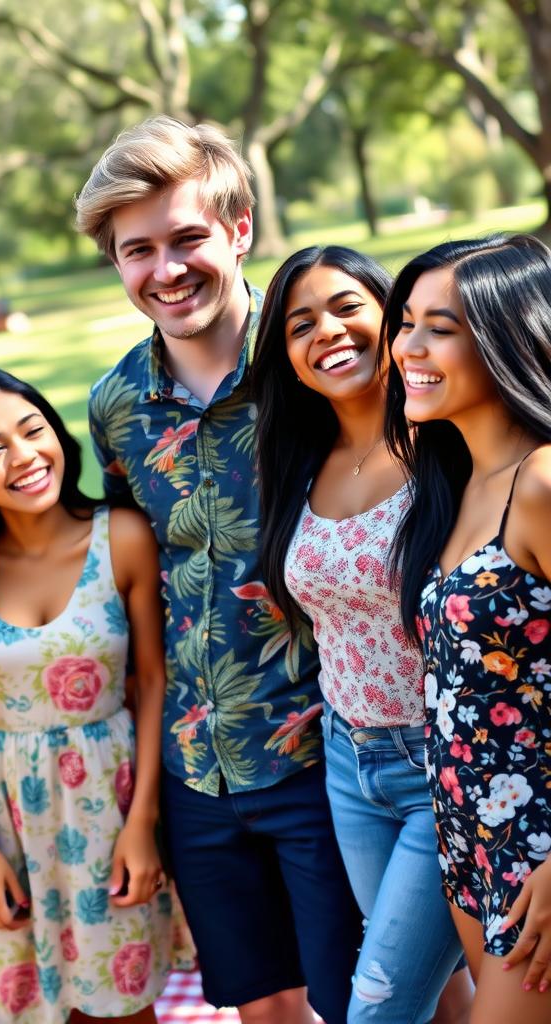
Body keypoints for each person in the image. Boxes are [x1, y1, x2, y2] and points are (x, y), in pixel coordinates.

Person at [76, 115, 362, 1024]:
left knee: (381, 997)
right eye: (137, 250)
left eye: (188, 238)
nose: (166, 269)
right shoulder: (116, 405)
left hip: (328, 752)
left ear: (239, 229)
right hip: (199, 770)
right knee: (261, 1007)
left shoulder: (311, 366)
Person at [0, 367, 175, 1023]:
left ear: (57, 435)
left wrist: (142, 824)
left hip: (111, 803)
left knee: (124, 1003)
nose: (23, 457)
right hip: (10, 818)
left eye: (32, 430)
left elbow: (152, 683)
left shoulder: (121, 538)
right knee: (35, 1009)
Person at [251, 246, 471, 1022]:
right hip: (350, 763)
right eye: (300, 323)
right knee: (441, 994)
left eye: (347, 307)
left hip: (445, 766)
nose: (327, 332)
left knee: (378, 1004)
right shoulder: (299, 460)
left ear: (391, 316)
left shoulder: (445, 443)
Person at [385, 234, 551, 1024]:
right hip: (469, 838)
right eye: (405, 321)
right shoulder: (452, 480)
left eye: (439, 328)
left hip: (538, 846)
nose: (406, 348)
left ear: (509, 336)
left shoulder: (544, 481)